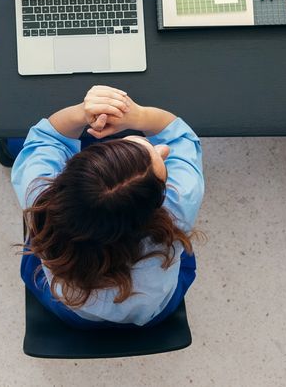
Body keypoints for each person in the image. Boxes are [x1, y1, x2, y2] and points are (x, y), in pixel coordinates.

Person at [11, 85, 204, 327]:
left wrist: (83, 112)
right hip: (154, 309)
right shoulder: (180, 204)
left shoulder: (38, 194)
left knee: (15, 143)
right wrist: (140, 117)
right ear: (155, 204)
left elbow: (47, 136)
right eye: (159, 156)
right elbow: (179, 137)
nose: (162, 149)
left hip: (73, 308)